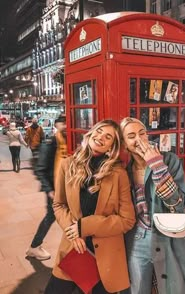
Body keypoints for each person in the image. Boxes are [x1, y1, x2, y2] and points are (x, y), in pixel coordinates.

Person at [44, 119, 135, 294]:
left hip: (106, 257)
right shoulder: (67, 164)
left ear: (111, 146)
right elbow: (59, 204)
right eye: (99, 131)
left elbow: (127, 220)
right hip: (73, 248)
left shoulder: (118, 174)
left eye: (108, 137)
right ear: (91, 133)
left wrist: (83, 227)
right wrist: (73, 232)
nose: (101, 137)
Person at [120, 117, 185, 294]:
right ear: (124, 144)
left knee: (173, 288)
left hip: (167, 235)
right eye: (131, 136)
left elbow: (180, 204)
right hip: (136, 238)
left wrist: (157, 166)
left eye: (142, 133)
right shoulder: (124, 171)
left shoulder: (169, 161)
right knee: (138, 288)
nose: (139, 139)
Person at [26, 116, 68, 260]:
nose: (66, 126)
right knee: (51, 216)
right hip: (54, 188)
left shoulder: (70, 141)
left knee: (60, 217)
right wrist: (49, 189)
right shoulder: (51, 142)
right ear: (57, 125)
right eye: (63, 123)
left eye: (68, 123)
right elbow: (40, 169)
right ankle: (34, 247)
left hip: (66, 186)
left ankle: (35, 247)